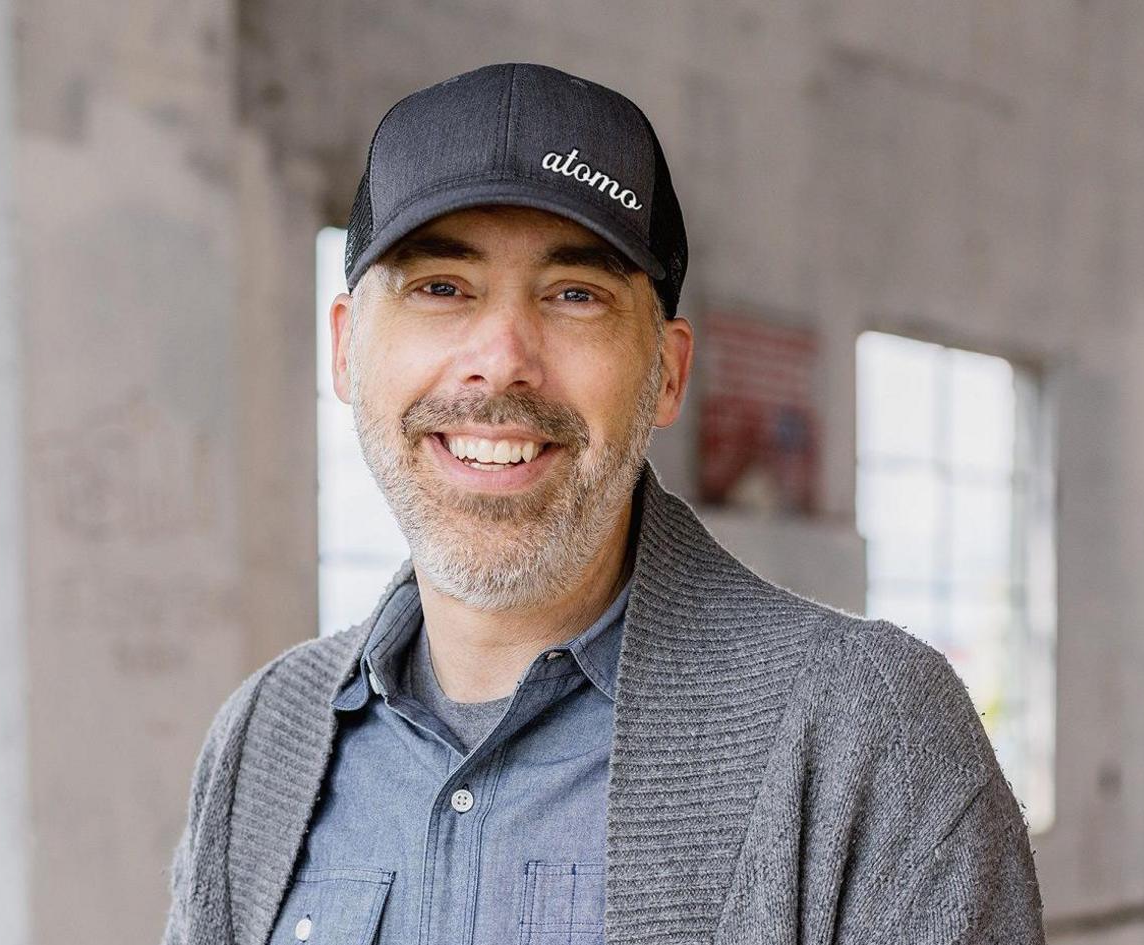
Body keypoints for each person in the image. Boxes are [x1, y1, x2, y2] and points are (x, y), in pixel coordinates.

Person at [162, 62, 1044, 945]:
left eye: (574, 295)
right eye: (441, 287)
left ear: (668, 372)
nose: (501, 357)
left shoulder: (868, 739)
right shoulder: (260, 743)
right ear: (347, 349)